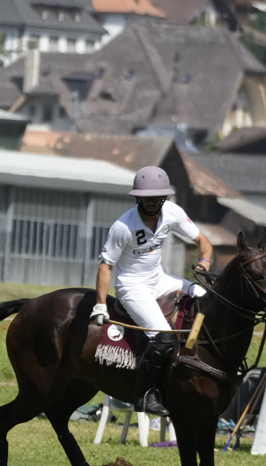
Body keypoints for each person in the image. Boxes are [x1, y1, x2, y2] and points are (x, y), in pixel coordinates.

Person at [90, 166, 213, 417]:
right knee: (164, 338)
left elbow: (204, 242)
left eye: (157, 197)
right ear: (138, 197)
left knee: (206, 300)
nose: (152, 202)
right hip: (132, 286)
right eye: (147, 198)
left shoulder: (172, 213)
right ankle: (143, 395)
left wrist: (205, 262)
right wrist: (100, 305)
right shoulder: (123, 226)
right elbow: (106, 266)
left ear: (164, 197)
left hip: (159, 278)